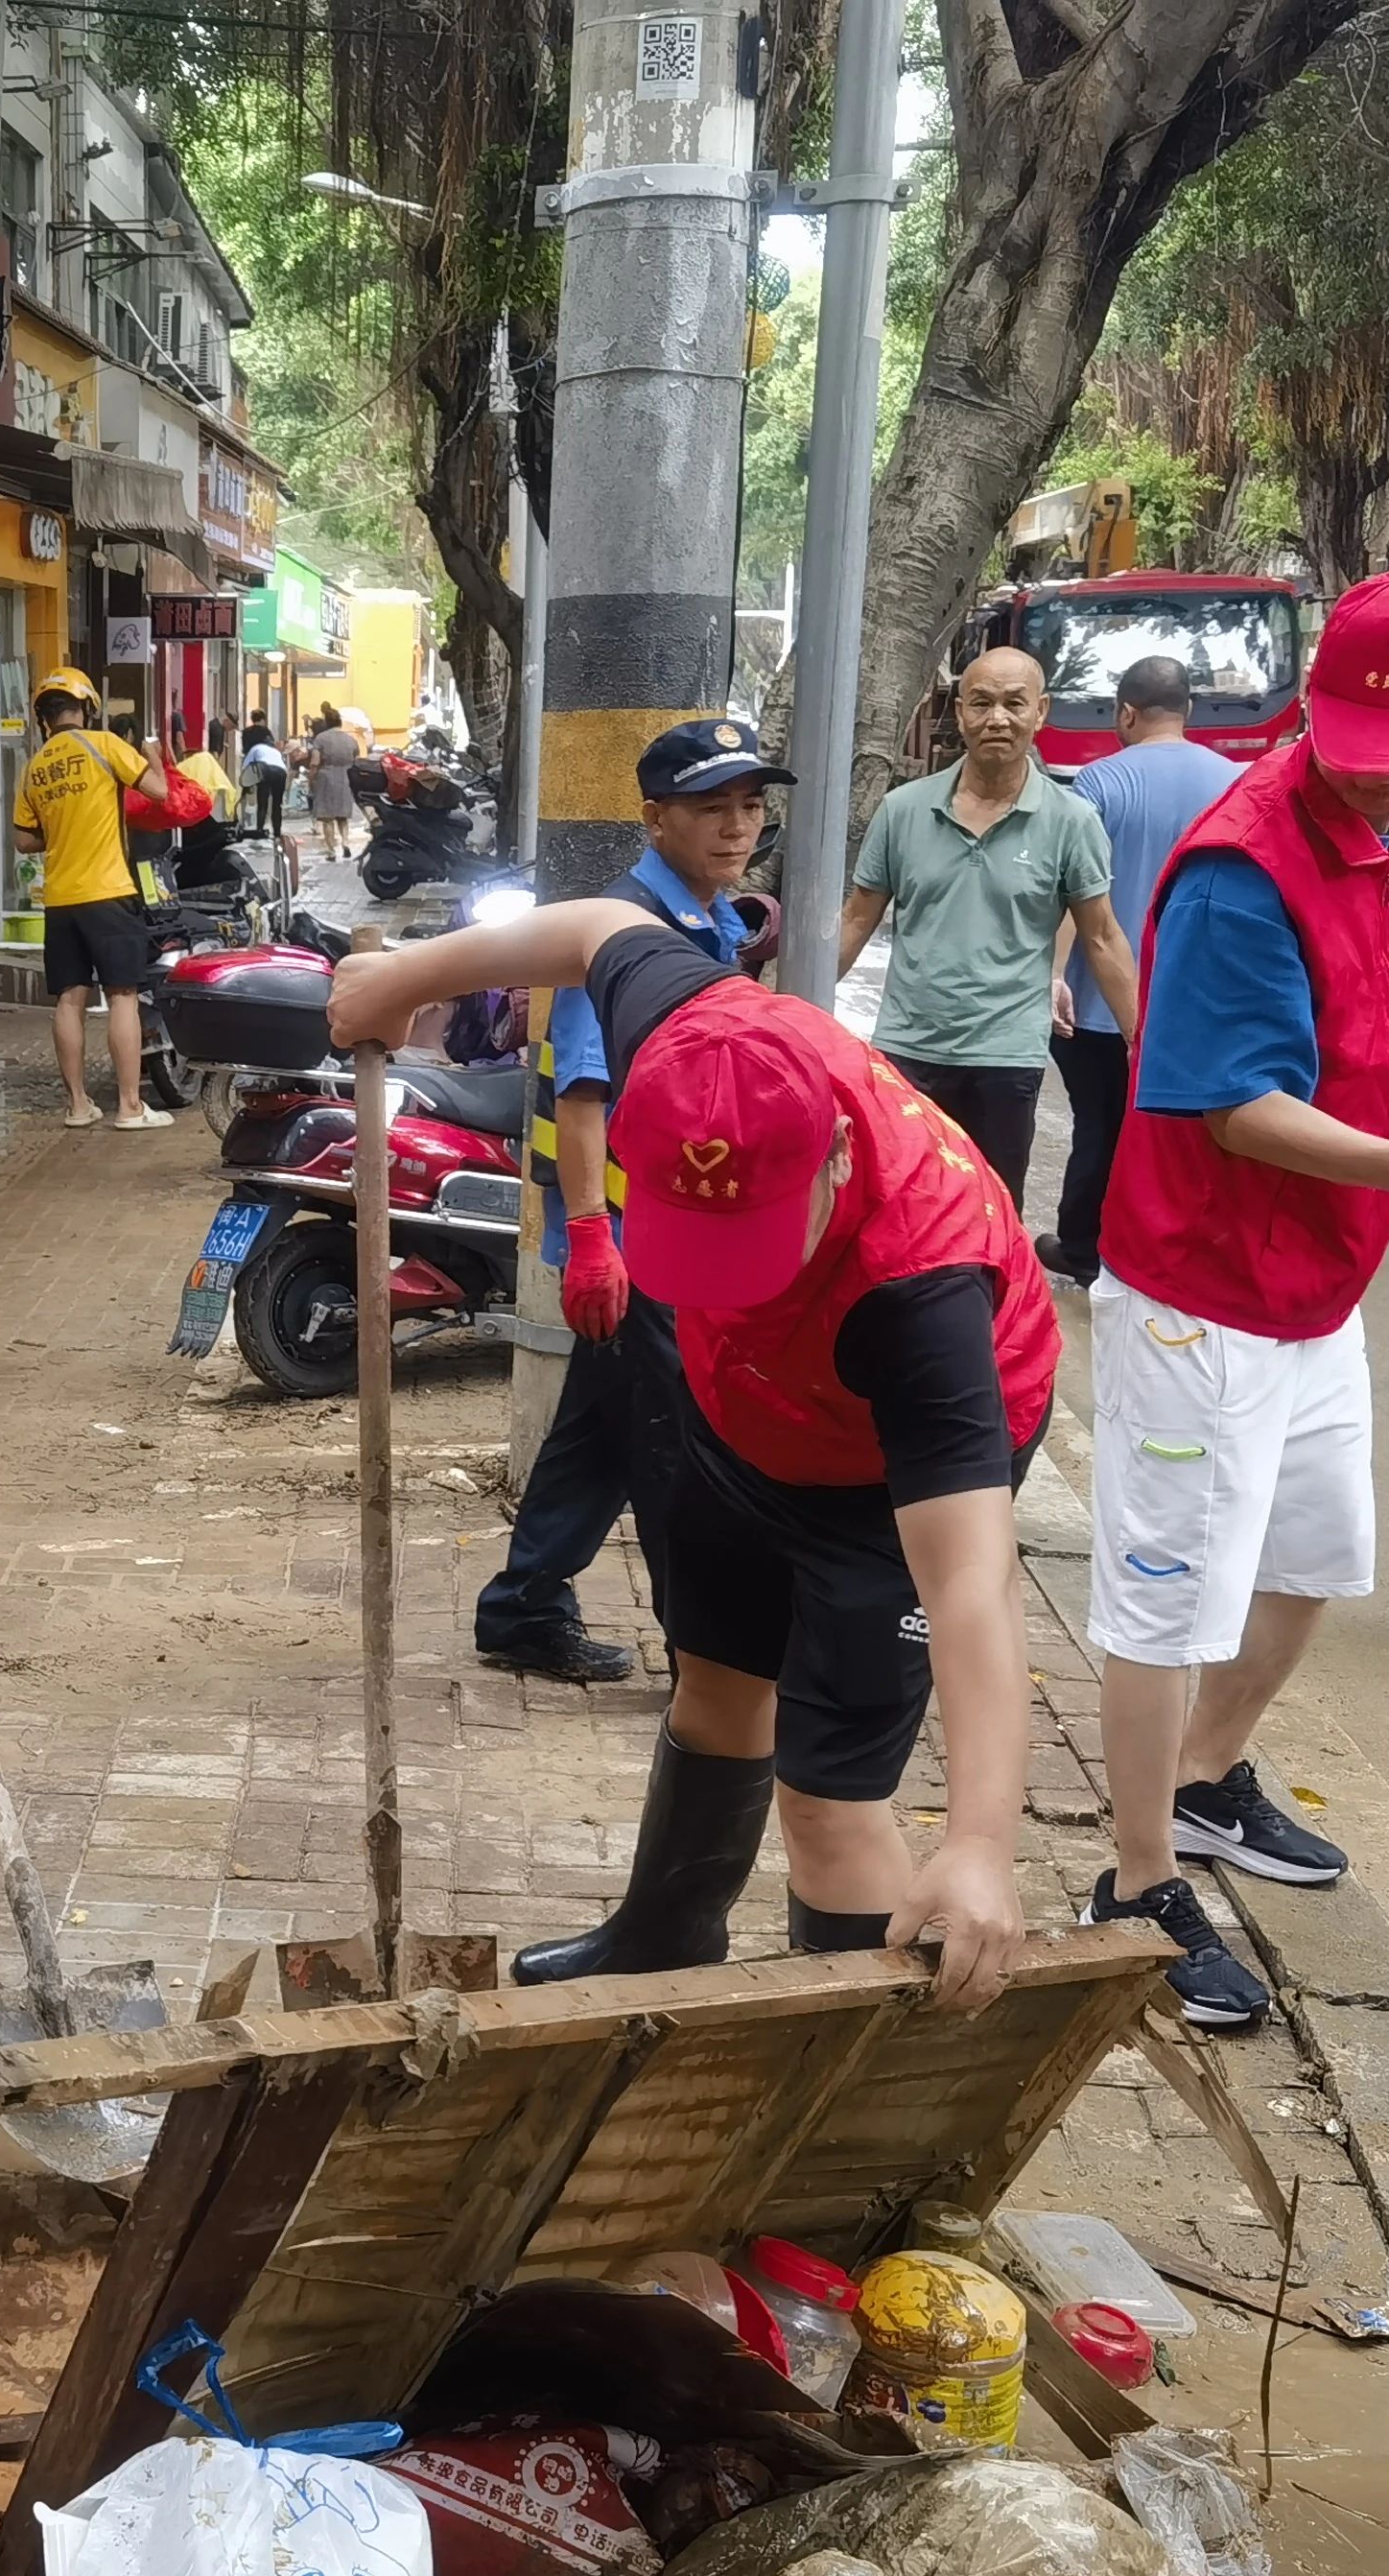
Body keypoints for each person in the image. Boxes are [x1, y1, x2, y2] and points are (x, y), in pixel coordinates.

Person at [332, 901, 1052, 2020]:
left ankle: (844, 2082)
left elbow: (971, 1581)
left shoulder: (925, 1295)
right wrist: (402, 980)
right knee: (714, 1679)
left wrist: (981, 1841)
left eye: (758, 1240)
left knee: (826, 1793)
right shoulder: (690, 1031)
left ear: (842, 1154)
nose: (735, 1280)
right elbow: (589, 928)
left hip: (879, 1473)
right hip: (740, 1419)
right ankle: (663, 1938)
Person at [1084, 570, 1389, 2014]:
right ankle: (1140, 1874)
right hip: (1200, 1294)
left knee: (1312, 1558)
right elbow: (1232, 1108)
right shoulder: (1242, 869)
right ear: (1309, 710)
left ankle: (1211, 1779)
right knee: (1169, 1598)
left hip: (1314, 1289)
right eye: (1362, 743)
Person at [477, 717, 788, 1685]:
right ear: (654, 819)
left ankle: (524, 1607)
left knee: (605, 1433)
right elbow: (580, 1097)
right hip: (635, 1240)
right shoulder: (614, 934)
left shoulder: (707, 919)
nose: (735, 827)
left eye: (749, 806)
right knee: (674, 1449)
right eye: (710, 809)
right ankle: (708, 1658)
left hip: (669, 1231)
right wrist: (591, 1240)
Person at [839, 646, 1141, 1202]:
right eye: (980, 703)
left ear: (1040, 711)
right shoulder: (903, 810)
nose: (996, 718)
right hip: (908, 1049)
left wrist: (1139, 1040)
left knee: (991, 1211)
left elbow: (1100, 936)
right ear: (960, 714)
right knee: (899, 1206)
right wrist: (789, 1015)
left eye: (1013, 704)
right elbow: (857, 918)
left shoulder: (1071, 822)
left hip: (1006, 1056)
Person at [1046, 655, 1236, 1283]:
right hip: (1198, 1005)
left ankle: (1084, 1248)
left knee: (1098, 1127)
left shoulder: (1099, 783)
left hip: (1098, 1004)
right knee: (1181, 1136)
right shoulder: (1238, 782)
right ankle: (1168, 1251)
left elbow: (1074, 894)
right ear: (1188, 711)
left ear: (1126, 713)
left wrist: (1054, 974)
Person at [15, 668, 197, 1131]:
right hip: (109, 893)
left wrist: (63, 833)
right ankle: (130, 1107)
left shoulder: (35, 767)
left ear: (43, 717)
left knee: (70, 1000)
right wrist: (153, 755)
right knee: (122, 996)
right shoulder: (103, 744)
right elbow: (158, 793)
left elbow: (23, 840)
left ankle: (78, 1106)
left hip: (60, 899)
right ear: (87, 708)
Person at [306, 706, 363, 861]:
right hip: (346, 778)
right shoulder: (351, 740)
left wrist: (311, 778)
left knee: (327, 817)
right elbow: (357, 760)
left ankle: (331, 851)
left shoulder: (321, 739)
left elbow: (315, 762)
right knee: (342, 816)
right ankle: (345, 843)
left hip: (326, 778)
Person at [242, 718, 291, 839]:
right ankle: (277, 833)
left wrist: (245, 786)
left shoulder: (255, 748)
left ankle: (260, 830)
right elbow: (283, 766)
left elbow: (246, 767)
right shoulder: (274, 751)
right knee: (276, 804)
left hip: (266, 770)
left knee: (262, 802)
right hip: (281, 772)